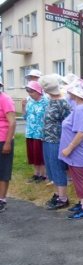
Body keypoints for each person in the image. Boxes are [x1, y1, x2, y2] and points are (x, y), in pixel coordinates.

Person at [59, 79, 83, 219]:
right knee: (78, 178)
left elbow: (81, 132)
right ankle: (82, 203)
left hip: (77, 152)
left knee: (81, 179)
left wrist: (69, 148)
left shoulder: (80, 109)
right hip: (80, 151)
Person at [39, 74, 72, 210]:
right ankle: (57, 194)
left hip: (56, 140)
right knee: (51, 168)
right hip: (47, 139)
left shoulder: (62, 102)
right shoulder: (50, 100)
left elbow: (69, 122)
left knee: (57, 168)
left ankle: (63, 198)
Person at [23, 80, 48, 183]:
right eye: (28, 91)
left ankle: (43, 175)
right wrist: (23, 107)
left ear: (38, 91)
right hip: (30, 132)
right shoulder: (30, 102)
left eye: (31, 91)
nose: (30, 94)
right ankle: (36, 173)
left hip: (40, 133)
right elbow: (25, 117)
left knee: (40, 155)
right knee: (33, 154)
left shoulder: (45, 102)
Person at [0, 77, 16, 213]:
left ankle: (2, 200)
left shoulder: (5, 99)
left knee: (3, 171)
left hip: (3, 140)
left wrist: (8, 142)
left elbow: (12, 122)